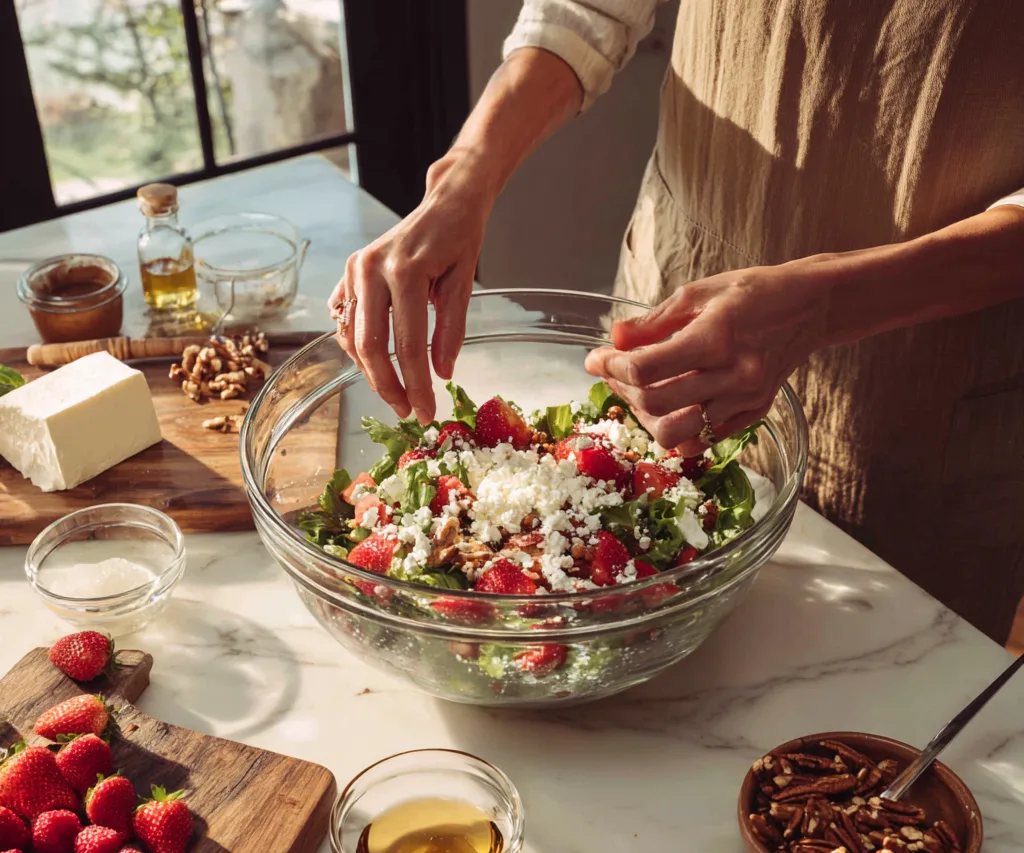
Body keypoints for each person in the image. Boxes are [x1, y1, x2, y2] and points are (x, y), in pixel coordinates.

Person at [329, 1, 1024, 644]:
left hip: (927, 368)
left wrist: (831, 301)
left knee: (886, 694)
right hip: (678, 288)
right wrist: (463, 174)